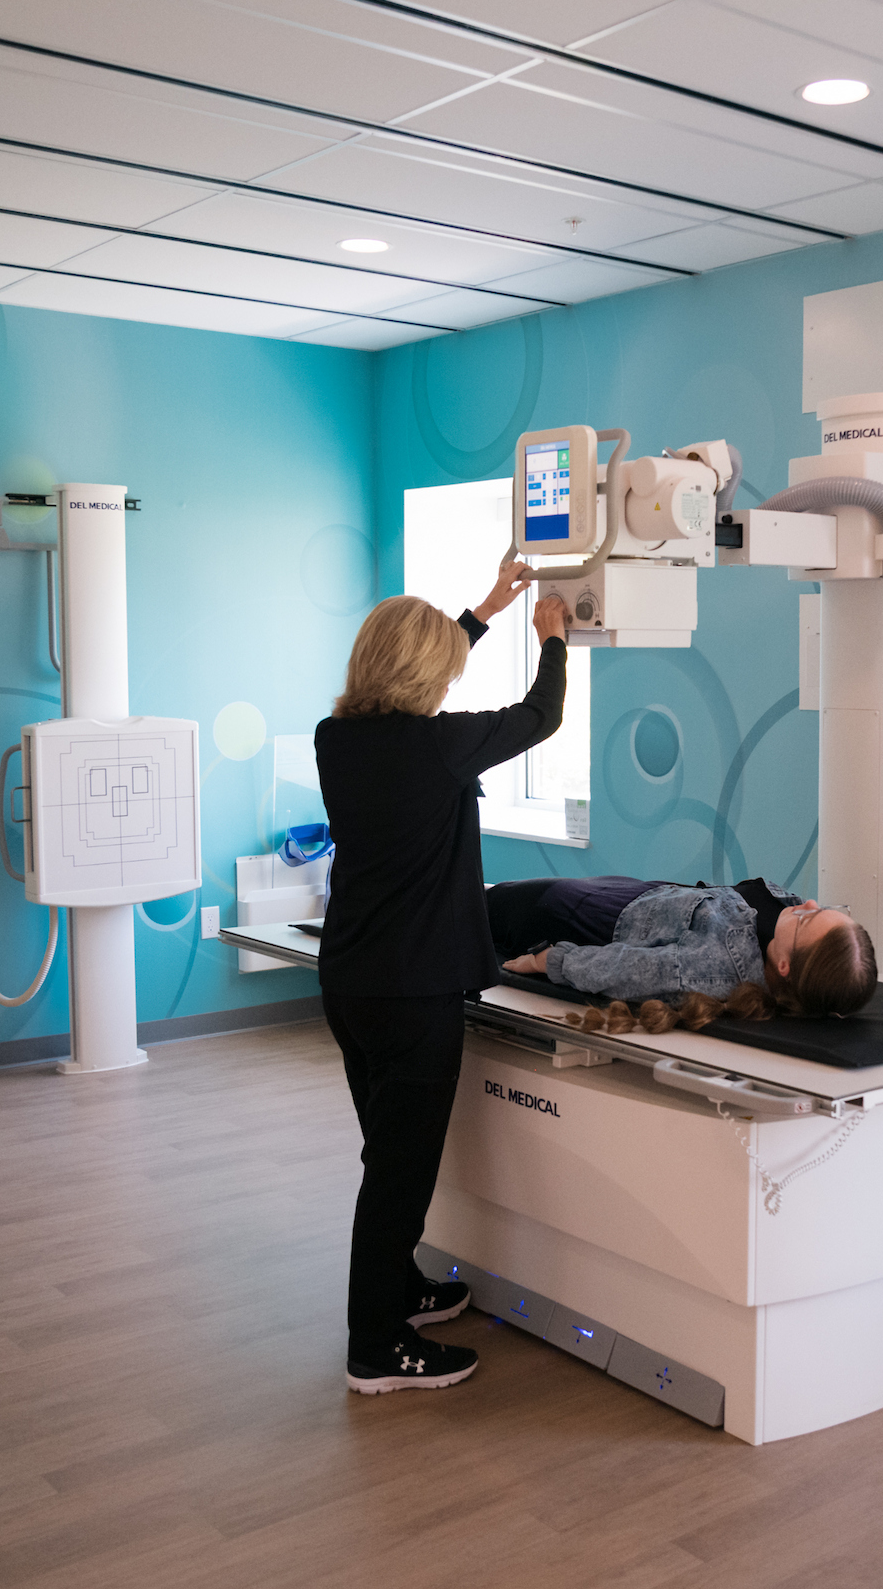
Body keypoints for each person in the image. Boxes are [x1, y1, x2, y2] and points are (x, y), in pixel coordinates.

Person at [315, 561, 567, 1397]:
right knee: (398, 1173)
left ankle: (404, 1291)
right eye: (448, 665)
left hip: (350, 982)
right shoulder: (438, 745)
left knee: (385, 1152)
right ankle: (377, 1346)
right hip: (412, 992)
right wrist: (552, 637)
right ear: (428, 675)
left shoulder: (337, 738)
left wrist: (483, 611)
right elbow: (541, 714)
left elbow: (416, 668)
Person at [491, 874, 877, 1032]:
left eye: (810, 919)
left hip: (584, 917)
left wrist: (549, 960)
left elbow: (626, 970)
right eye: (823, 909)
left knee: (484, 903)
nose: (807, 902)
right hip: (639, 892)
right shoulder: (784, 927)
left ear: (784, 965)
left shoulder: (710, 970)